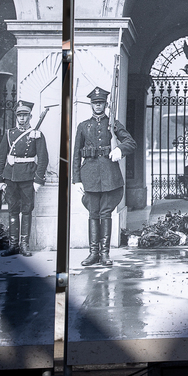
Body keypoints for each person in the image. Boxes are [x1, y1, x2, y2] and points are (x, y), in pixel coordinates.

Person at [72, 87, 137, 267]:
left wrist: (119, 149)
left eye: (101, 103)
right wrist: (76, 179)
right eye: (95, 103)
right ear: (91, 105)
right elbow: (76, 154)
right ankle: (93, 253)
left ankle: (105, 253)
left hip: (109, 175)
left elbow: (131, 142)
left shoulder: (113, 124)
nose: (98, 106)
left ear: (106, 104)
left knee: (105, 213)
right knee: (93, 213)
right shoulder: (83, 126)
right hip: (90, 175)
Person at [0, 101, 48, 257]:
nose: (22, 118)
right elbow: (0, 157)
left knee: (26, 210)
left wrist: (38, 179)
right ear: (16, 117)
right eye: (19, 115)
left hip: (27, 177)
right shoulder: (10, 134)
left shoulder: (37, 134)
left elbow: (43, 158)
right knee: (12, 209)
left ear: (30, 116)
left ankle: (24, 245)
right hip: (10, 177)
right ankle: (13, 245)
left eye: (25, 115)